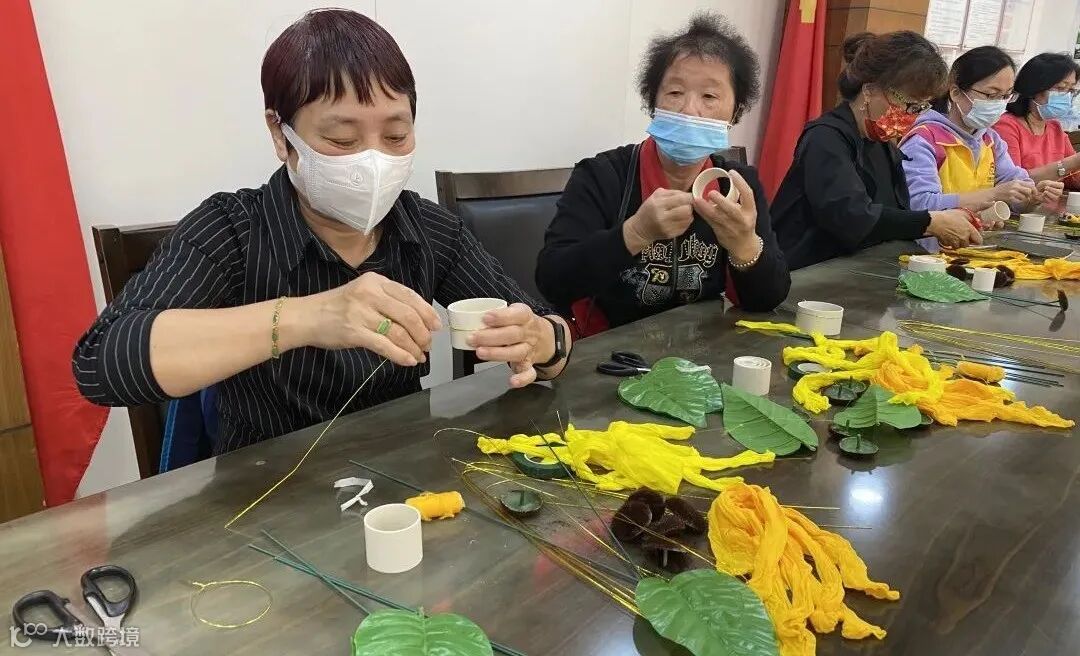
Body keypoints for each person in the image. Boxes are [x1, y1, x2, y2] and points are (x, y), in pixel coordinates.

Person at [73, 9, 571, 455]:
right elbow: (101, 363)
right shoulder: (232, 230)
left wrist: (541, 342)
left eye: (395, 135)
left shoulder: (427, 229)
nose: (374, 160)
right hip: (265, 490)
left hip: (402, 477)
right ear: (280, 134)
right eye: (342, 139)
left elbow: (549, 331)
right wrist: (306, 318)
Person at [535, 13, 789, 335]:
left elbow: (768, 299)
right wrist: (635, 233)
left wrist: (745, 245)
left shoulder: (737, 185)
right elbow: (553, 280)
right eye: (675, 93)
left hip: (700, 350)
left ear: (735, 112)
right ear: (652, 101)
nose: (689, 109)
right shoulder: (602, 176)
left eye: (709, 97)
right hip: (610, 350)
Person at [771, 32, 979, 270]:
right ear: (869, 90)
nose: (911, 115)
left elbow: (894, 214)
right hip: (805, 270)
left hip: (856, 266)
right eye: (908, 104)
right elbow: (851, 217)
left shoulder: (881, 142)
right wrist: (930, 223)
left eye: (920, 107)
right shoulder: (825, 137)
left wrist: (948, 221)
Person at [899, 46, 1063, 215]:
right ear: (955, 93)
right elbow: (921, 204)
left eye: (1005, 96)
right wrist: (993, 194)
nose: (998, 104)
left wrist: (1032, 197)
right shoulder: (924, 140)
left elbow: (1015, 189)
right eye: (991, 95)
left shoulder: (990, 140)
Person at [995, 53, 1080, 190]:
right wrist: (1072, 162)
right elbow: (1013, 181)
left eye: (1070, 90)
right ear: (1035, 88)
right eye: (1060, 88)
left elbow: (1073, 178)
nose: (1067, 96)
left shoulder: (1054, 127)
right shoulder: (1006, 126)